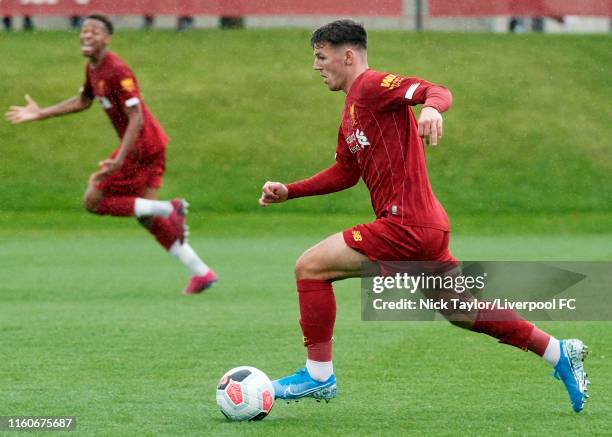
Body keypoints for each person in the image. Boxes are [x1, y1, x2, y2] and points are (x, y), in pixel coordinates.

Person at [258, 19, 589, 412]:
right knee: (461, 311)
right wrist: (290, 191)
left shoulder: (372, 85)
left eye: (320, 56)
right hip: (423, 226)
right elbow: (346, 173)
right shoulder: (350, 111)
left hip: (405, 224)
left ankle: (317, 376)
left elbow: (437, 90)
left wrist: (431, 110)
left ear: (347, 56)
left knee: (310, 267)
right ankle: (558, 351)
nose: (316, 66)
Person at [5, 14, 217, 294]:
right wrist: (40, 112)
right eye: (84, 30)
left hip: (141, 146)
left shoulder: (118, 70)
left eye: (94, 31)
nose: (87, 35)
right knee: (146, 215)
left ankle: (171, 207)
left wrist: (120, 158)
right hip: (150, 144)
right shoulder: (93, 68)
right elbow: (84, 100)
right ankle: (201, 272)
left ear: (107, 38)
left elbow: (137, 117)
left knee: (93, 199)